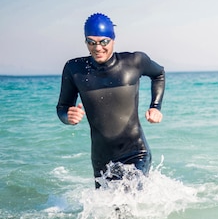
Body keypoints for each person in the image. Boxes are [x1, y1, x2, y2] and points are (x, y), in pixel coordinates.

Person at [57, 13, 165, 188]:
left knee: (126, 201)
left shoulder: (134, 61)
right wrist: (67, 117)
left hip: (135, 153)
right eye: (91, 42)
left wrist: (155, 106)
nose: (97, 48)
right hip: (101, 160)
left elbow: (158, 74)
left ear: (113, 39)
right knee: (108, 213)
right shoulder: (75, 69)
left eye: (103, 42)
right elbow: (62, 107)